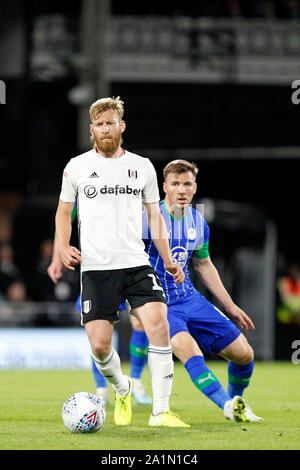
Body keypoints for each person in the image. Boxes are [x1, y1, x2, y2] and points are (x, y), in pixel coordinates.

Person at [54, 96, 188, 427]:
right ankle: (122, 387)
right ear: (92, 130)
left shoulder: (142, 166)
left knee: (159, 323)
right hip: (97, 268)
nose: (105, 129)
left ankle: (161, 410)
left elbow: (155, 216)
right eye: (99, 124)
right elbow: (63, 212)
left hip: (136, 263)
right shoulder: (77, 166)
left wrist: (168, 258)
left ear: (121, 126)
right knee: (100, 346)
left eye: (110, 123)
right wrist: (61, 246)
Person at [142, 159, 263, 423]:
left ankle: (237, 401)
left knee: (244, 354)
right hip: (160, 303)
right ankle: (227, 407)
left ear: (195, 188)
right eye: (175, 184)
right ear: (164, 187)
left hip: (190, 299)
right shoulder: (147, 218)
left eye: (187, 184)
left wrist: (231, 307)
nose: (182, 190)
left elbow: (204, 265)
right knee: (191, 353)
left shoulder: (198, 221)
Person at [48, 233, 152, 405]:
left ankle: (136, 381)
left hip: (131, 265)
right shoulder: (81, 204)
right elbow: (63, 219)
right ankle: (101, 389)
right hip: (99, 268)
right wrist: (56, 259)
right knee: (98, 336)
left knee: (141, 322)